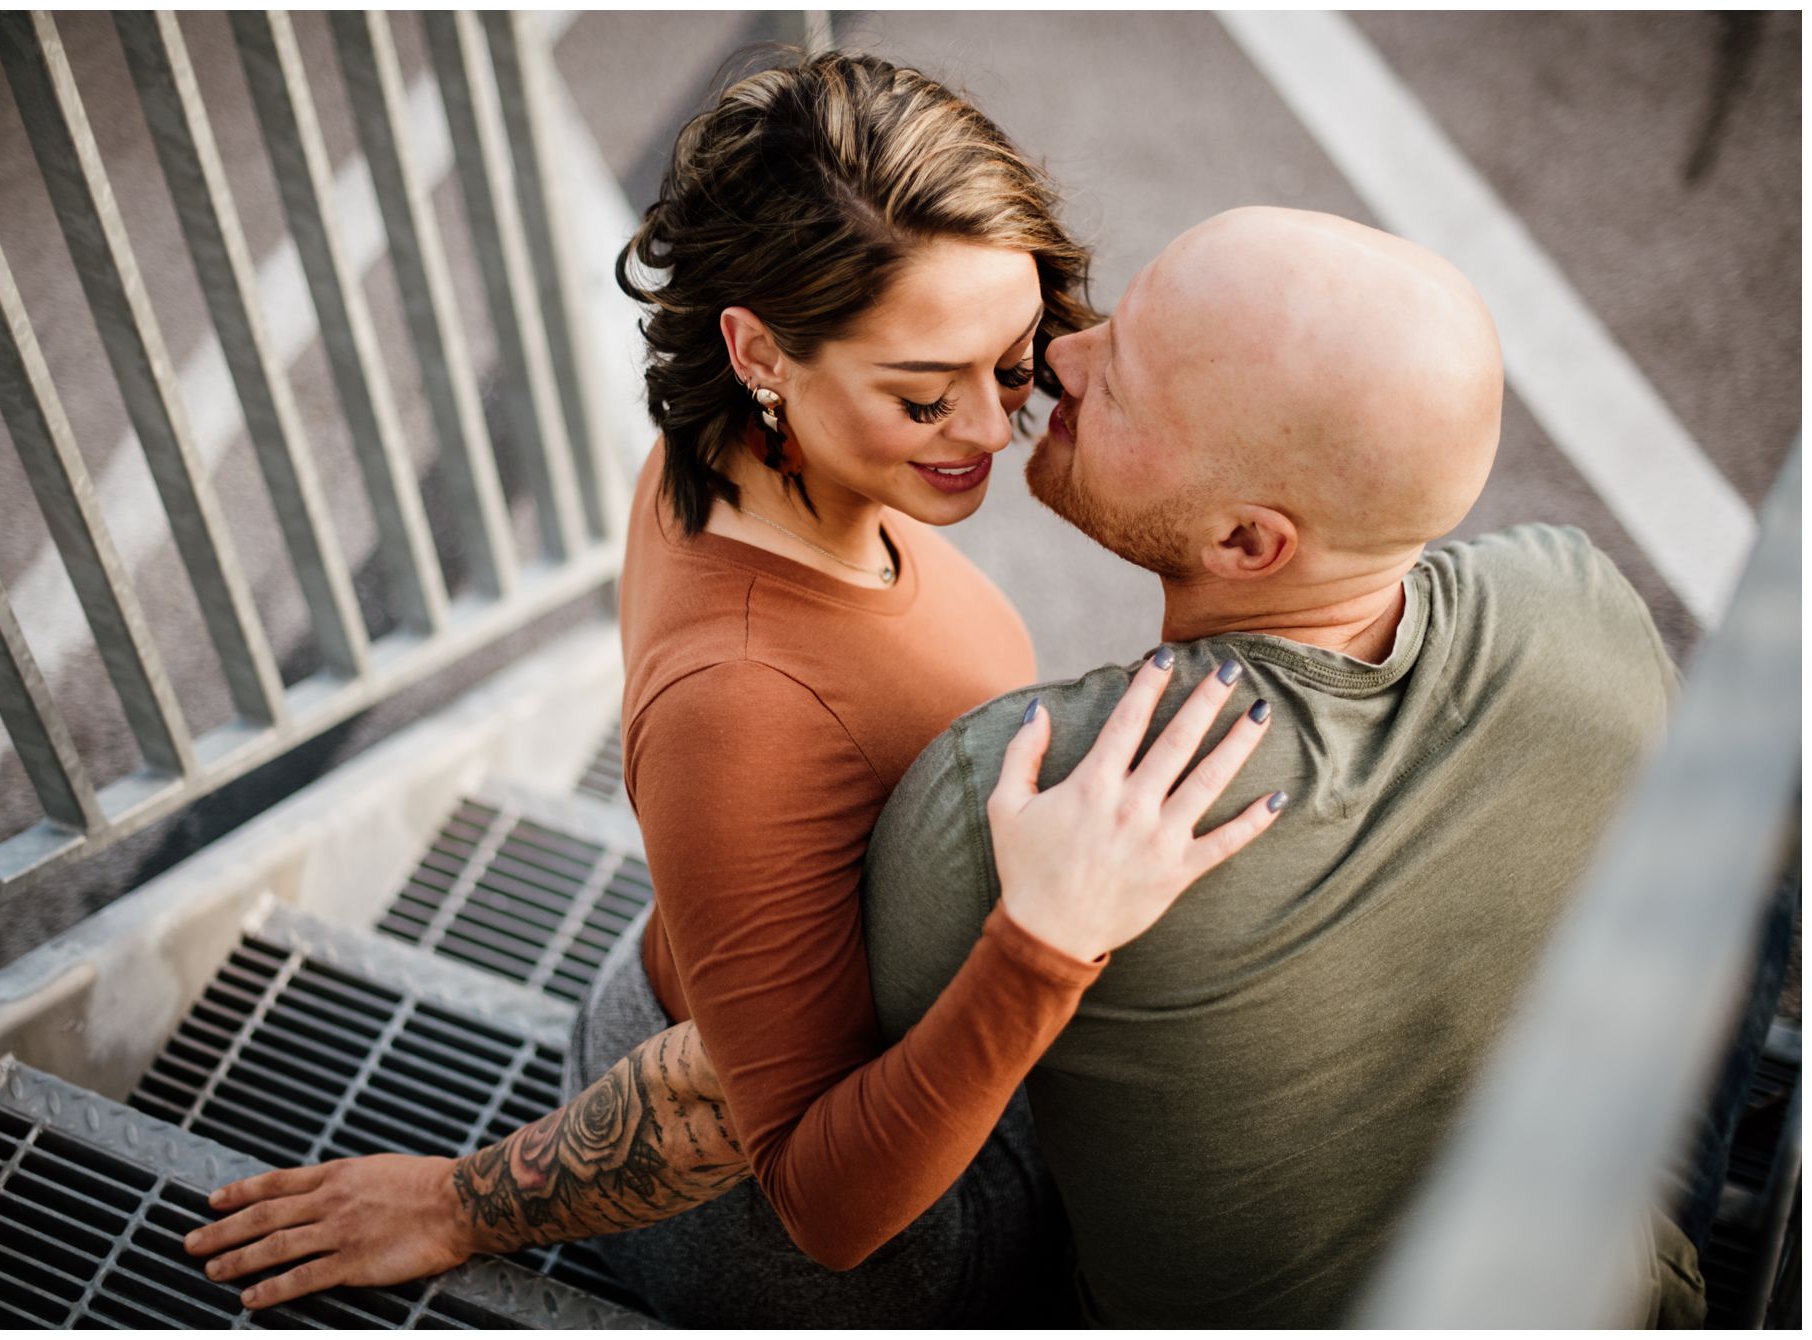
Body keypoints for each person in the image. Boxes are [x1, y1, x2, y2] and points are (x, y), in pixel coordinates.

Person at [181, 51, 1282, 1325]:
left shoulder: (733, 452)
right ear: (758, 349)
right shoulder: (742, 704)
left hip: (720, 1029)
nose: (990, 429)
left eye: (1010, 359)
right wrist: (1043, 943)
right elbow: (821, 1197)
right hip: (792, 1231)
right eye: (924, 394)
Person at [861, 205, 1710, 1327]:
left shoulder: (1022, 788)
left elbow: (867, 1094)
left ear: (1245, 544)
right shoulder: (1582, 601)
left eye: (1119, 384)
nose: (1061, 356)